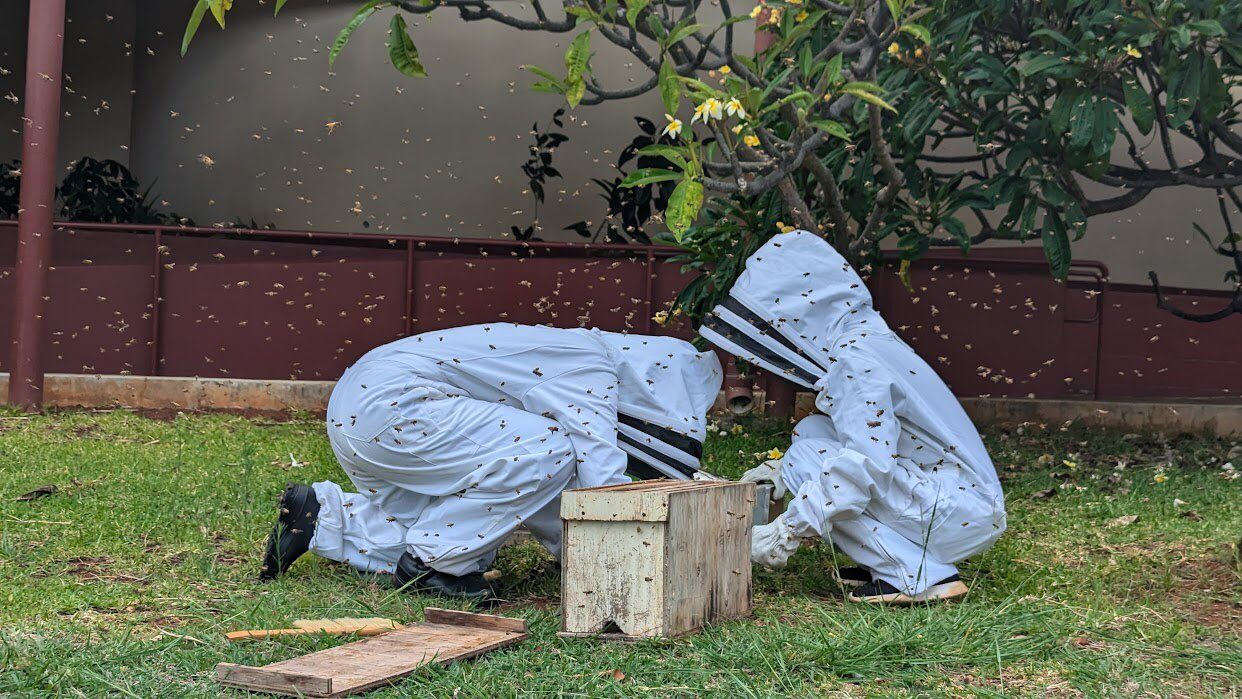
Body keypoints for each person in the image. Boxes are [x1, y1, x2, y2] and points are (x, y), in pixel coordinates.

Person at [259, 323, 722, 602]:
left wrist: (570, 553)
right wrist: (624, 567)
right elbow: (598, 483)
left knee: (474, 529)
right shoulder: (590, 365)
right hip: (396, 407)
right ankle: (432, 569)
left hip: (360, 412)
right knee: (551, 450)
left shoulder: (574, 352)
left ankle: (320, 517)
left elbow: (543, 492)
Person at [699, 230, 1006, 604]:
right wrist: (778, 477)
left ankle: (916, 574)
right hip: (957, 499)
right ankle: (888, 556)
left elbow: (864, 466)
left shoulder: (854, 363)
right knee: (813, 431)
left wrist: (785, 532)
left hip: (951, 509)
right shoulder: (866, 341)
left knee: (808, 461)